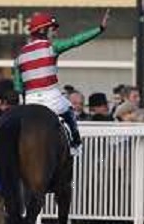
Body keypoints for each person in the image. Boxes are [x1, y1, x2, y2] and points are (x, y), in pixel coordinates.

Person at [13, 9, 110, 152]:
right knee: (69, 108)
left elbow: (18, 87)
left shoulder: (20, 55)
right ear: (43, 30)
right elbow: (76, 41)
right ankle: (75, 142)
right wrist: (99, 29)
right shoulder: (52, 46)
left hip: (30, 101)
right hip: (52, 98)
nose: (55, 33)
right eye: (53, 29)